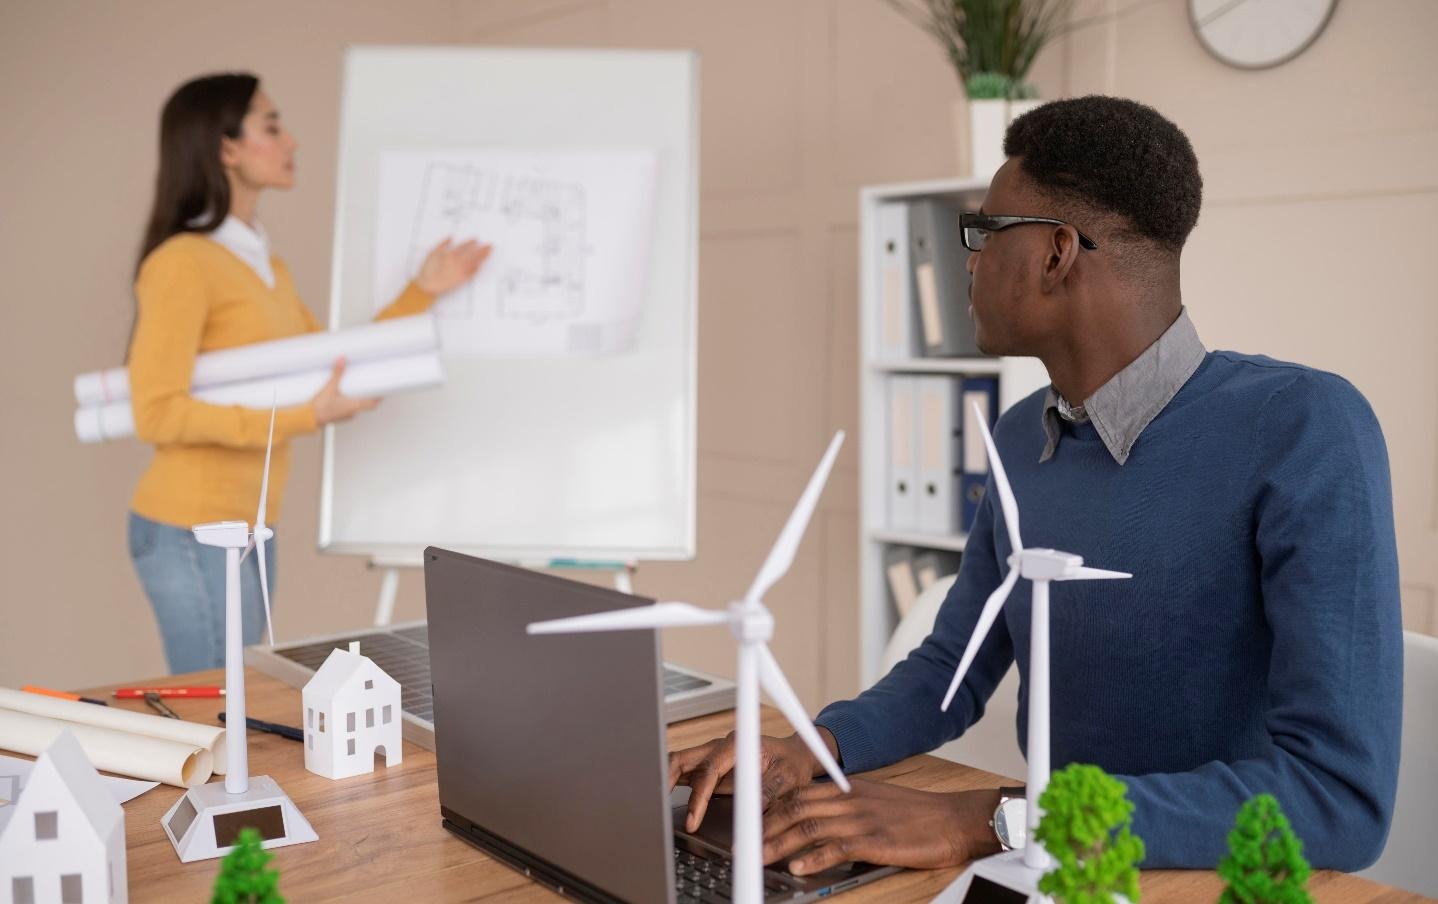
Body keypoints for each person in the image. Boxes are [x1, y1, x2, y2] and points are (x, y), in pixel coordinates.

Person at [669, 96, 1401, 873]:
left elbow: (1337, 800)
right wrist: (812, 747)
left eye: (983, 233)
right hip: (1048, 874)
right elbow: (951, 667)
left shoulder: (1305, 427)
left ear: (1056, 253)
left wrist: (996, 819)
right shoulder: (1023, 433)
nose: (969, 259)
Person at [126, 73, 490, 674]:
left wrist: (421, 292)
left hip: (248, 526)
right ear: (226, 149)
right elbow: (156, 412)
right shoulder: (181, 264)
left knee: (235, 704)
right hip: (189, 530)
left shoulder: (263, 262)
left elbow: (326, 364)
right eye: (272, 126)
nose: (291, 140)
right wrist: (306, 415)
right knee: (219, 707)